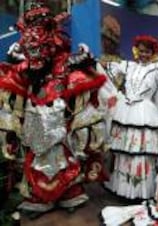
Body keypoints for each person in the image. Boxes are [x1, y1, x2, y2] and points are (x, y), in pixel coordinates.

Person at [0, 1, 108, 217]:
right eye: (32, 50)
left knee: (64, 159)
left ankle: (69, 194)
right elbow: (12, 101)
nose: (37, 56)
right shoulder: (23, 70)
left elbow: (84, 106)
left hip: (61, 133)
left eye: (40, 48)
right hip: (34, 128)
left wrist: (87, 136)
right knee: (35, 159)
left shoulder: (66, 69)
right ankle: (38, 197)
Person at [103, 35, 158, 200]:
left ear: (152, 53)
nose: (143, 54)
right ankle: (123, 189)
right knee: (125, 152)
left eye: (147, 51)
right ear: (136, 51)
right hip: (125, 112)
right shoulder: (128, 66)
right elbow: (105, 67)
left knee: (142, 153)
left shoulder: (157, 69)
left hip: (144, 113)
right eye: (141, 51)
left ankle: (141, 191)